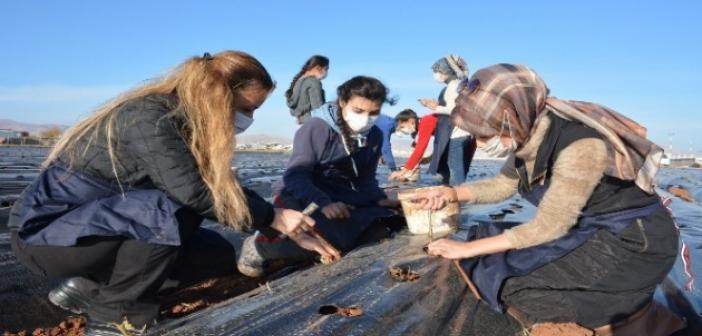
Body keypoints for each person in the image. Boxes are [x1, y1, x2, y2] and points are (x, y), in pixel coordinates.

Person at [8, 51, 338, 336]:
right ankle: (115, 315)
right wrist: (275, 218)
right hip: (48, 234)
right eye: (246, 108)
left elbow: (217, 188)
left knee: (218, 254)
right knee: (167, 209)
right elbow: (193, 191)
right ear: (217, 95)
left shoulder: (186, 124)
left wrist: (273, 222)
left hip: (95, 228)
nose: (248, 119)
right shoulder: (150, 117)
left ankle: (89, 289)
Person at [410, 64, 680, 332]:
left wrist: (464, 250)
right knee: (488, 250)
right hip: (589, 229)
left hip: (633, 242)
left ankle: (634, 319)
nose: (479, 143)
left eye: (484, 134)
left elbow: (550, 227)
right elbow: (504, 185)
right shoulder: (528, 131)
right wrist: (452, 194)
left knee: (512, 284)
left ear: (510, 117)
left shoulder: (581, 146)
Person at [237, 76, 404, 277]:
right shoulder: (317, 128)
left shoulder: (374, 135)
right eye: (359, 111)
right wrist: (324, 203)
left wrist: (379, 199)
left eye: (373, 112)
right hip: (300, 193)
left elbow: (364, 179)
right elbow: (296, 175)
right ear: (343, 103)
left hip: (336, 194)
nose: (366, 118)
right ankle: (262, 245)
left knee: (381, 224)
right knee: (332, 238)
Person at [415, 54, 477, 186]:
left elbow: (453, 110)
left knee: (455, 167)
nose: (436, 74)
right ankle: (449, 192)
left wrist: (435, 107)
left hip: (456, 132)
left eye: (437, 71)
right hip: (458, 132)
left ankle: (456, 197)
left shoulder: (454, 85)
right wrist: (436, 104)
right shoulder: (457, 85)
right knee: (449, 166)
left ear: (447, 71)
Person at [286, 55, 329, 124]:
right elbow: (318, 109)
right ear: (318, 68)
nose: (327, 73)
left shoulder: (299, 81)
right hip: (313, 125)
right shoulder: (314, 82)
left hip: (302, 123)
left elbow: (293, 110)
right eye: (326, 69)